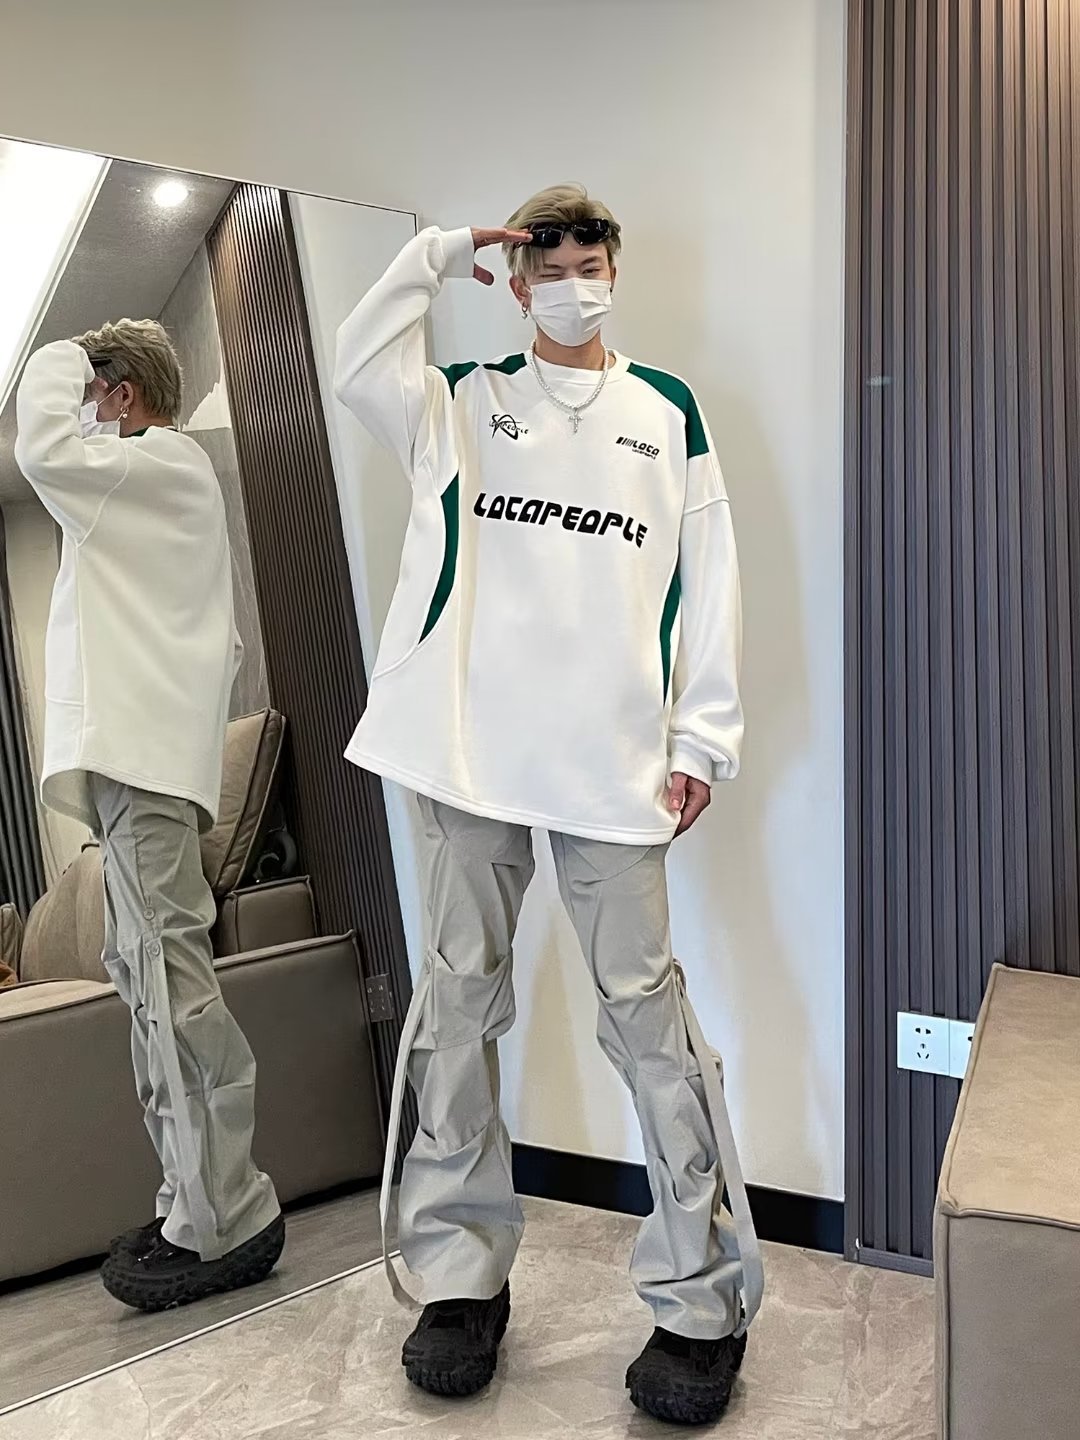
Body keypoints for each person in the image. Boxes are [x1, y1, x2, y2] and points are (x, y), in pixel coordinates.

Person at [334, 183, 762, 1427]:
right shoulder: (461, 402)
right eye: (550, 267)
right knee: (456, 1009)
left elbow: (711, 580)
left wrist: (704, 739)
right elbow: (357, 361)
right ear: (517, 285)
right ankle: (460, 1277)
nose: (574, 284)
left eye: (590, 263)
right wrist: (438, 253)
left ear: (614, 271)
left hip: (611, 768)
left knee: (650, 1025)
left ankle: (700, 1298)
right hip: (470, 757)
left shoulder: (666, 412)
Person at [14, 321, 284, 1312]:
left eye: (96, 389)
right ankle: (191, 1203)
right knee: (147, 981)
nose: (86, 407)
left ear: (120, 393)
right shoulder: (143, 486)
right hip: (136, 768)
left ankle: (225, 1213)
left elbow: (41, 447)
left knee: (170, 982)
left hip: (147, 768)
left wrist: (61, 354)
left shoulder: (160, 464)